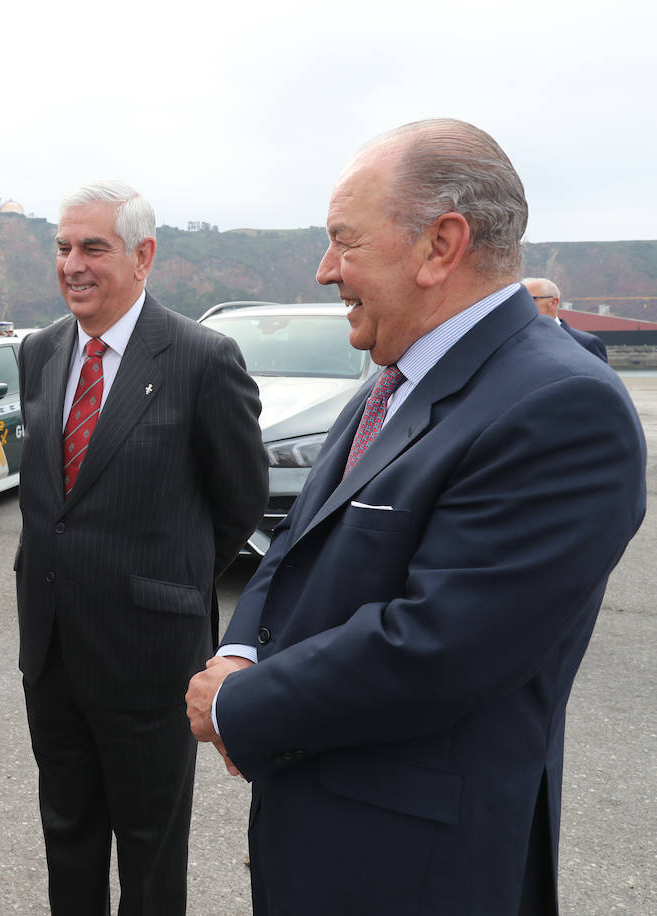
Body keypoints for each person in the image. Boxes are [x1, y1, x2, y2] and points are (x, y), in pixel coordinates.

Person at [185, 119, 646, 915]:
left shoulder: (562, 404)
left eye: (344, 241)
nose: (326, 270)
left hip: (418, 867)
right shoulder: (391, 379)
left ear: (441, 246)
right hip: (326, 826)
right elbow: (298, 540)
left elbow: (440, 645)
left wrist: (238, 705)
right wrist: (238, 651)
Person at [15, 180, 267, 914]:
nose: (73, 264)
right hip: (52, 650)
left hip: (150, 655)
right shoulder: (41, 351)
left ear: (143, 254)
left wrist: (167, 585)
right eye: (62, 247)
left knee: (151, 852)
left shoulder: (201, 357)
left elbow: (238, 503)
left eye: (93, 247)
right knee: (68, 835)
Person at [523, 276, 608, 362]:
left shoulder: (585, 343)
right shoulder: (514, 342)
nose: (523, 305)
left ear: (553, 303)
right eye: (521, 300)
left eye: (530, 299)